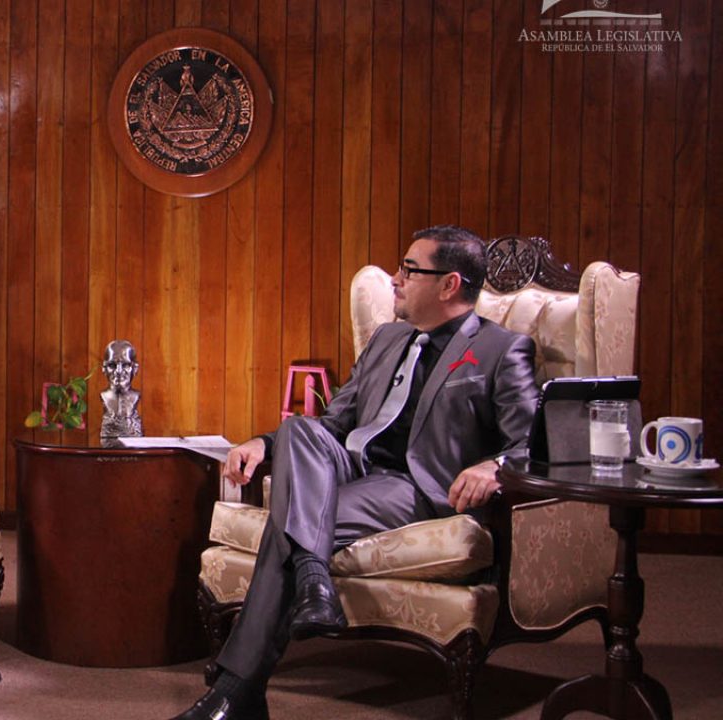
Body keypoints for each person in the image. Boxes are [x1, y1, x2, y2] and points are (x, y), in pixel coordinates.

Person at [170, 225, 539, 720]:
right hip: (349, 465)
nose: (395, 279)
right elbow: (334, 422)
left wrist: (494, 465)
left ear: (449, 285)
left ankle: (237, 689)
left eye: (409, 269)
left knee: (289, 525)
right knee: (300, 428)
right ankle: (313, 582)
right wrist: (264, 443)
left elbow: (532, 444)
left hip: (412, 485)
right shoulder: (388, 338)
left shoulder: (501, 349)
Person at [100, 339, 143, 438]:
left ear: (135, 368)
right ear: (104, 368)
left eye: (125, 365)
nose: (119, 371)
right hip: (108, 441)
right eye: (112, 365)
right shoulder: (104, 396)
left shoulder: (136, 396)